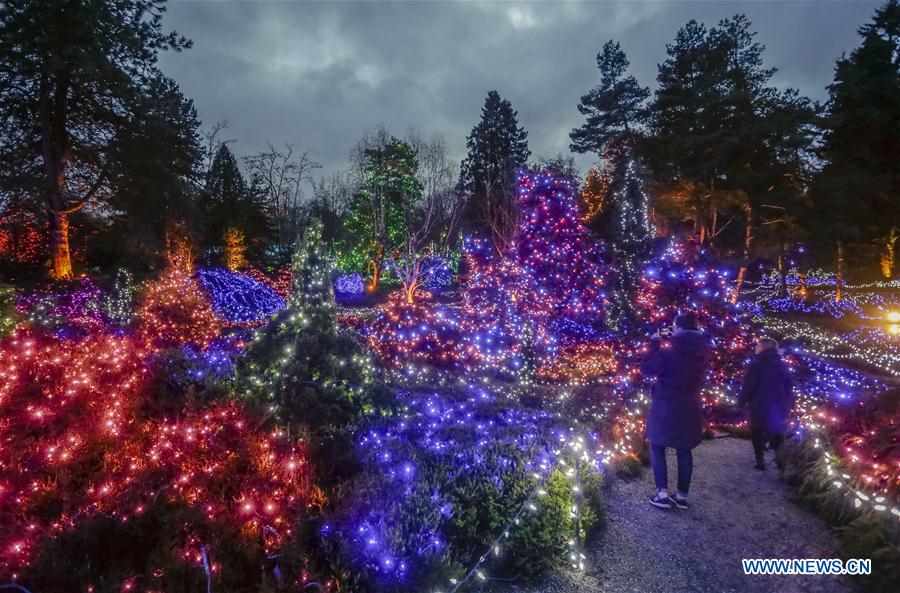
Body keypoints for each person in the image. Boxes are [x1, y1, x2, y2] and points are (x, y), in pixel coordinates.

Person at [640, 311, 710, 510]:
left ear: (677, 328)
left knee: (657, 446)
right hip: (690, 406)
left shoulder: (669, 352)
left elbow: (646, 368)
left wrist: (654, 342)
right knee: (684, 449)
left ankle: (662, 494)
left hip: (666, 406)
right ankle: (681, 496)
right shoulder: (703, 351)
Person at [739, 337, 794, 470]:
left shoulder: (756, 364)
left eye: (758, 345)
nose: (756, 348)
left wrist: (741, 401)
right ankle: (780, 462)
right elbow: (789, 387)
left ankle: (760, 461)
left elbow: (749, 385)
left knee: (757, 431)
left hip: (759, 404)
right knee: (777, 432)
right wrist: (789, 404)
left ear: (764, 347)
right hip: (779, 404)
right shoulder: (783, 365)